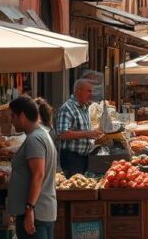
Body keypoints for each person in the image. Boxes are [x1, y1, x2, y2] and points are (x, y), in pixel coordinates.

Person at [7, 96, 58, 239]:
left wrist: (29, 210)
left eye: (13, 116)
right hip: (41, 212)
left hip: (36, 214)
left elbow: (38, 174)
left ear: (22, 116)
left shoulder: (34, 139)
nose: (11, 120)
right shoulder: (41, 135)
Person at [54, 79, 99, 177]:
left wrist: (94, 136)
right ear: (78, 91)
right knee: (75, 189)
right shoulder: (67, 108)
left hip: (84, 157)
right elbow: (62, 134)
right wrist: (87, 134)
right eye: (89, 91)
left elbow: (84, 131)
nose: (91, 94)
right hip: (72, 158)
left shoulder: (84, 107)